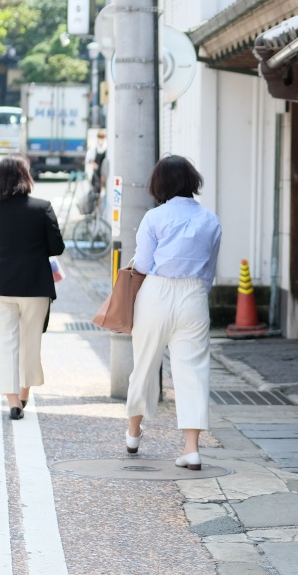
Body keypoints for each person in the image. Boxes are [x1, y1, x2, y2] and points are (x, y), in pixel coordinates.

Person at [125, 155, 221, 470]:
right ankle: (192, 448)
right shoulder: (211, 219)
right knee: (193, 370)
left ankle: (134, 432)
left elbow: (141, 264)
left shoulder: (155, 217)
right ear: (192, 182)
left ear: (159, 184)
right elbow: (210, 270)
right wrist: (196, 293)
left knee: (145, 363)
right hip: (194, 294)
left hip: (157, 292)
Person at [0, 154, 66, 420]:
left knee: (5, 342)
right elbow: (56, 247)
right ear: (26, 176)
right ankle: (24, 394)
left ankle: (12, 401)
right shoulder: (42, 207)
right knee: (30, 342)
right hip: (34, 286)